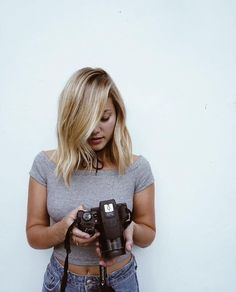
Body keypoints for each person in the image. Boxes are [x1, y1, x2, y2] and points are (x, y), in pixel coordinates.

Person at [26, 67, 156, 292]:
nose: (96, 130)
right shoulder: (45, 164)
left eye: (104, 117)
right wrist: (63, 230)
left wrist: (128, 227)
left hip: (119, 280)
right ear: (71, 119)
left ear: (117, 114)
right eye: (86, 120)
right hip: (63, 280)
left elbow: (149, 234)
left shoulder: (137, 168)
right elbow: (33, 235)